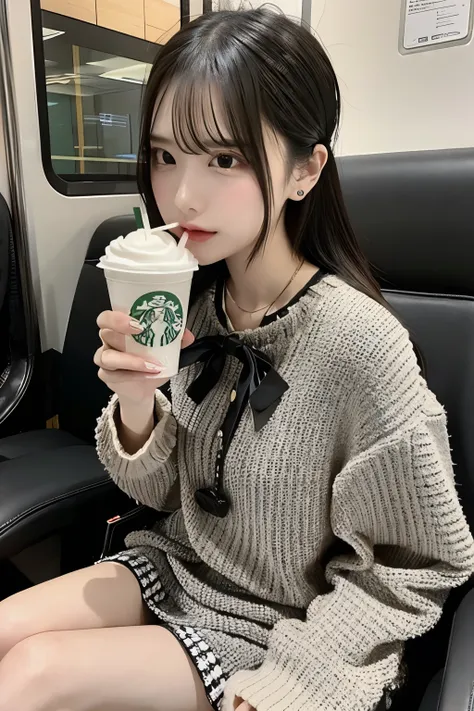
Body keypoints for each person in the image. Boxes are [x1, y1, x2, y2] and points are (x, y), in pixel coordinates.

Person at [0, 7, 473, 711]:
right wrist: (135, 403)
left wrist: (293, 685)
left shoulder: (361, 343)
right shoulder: (195, 303)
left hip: (276, 625)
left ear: (305, 171)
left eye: (224, 159)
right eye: (164, 155)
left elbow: (418, 566)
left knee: (36, 673)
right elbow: (162, 497)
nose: (182, 194)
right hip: (176, 567)